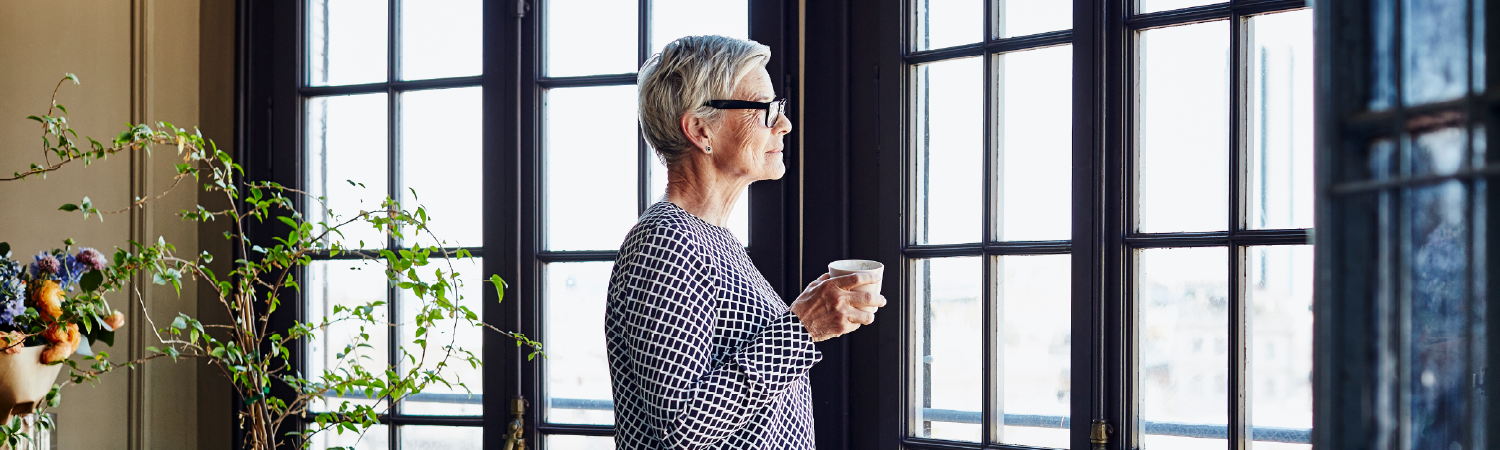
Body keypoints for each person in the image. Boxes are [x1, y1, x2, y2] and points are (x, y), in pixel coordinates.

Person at [606, 35, 886, 449]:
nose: (784, 123)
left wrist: (800, 315)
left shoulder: (712, 239)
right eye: (765, 109)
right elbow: (682, 426)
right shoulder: (665, 241)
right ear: (701, 130)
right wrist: (802, 328)